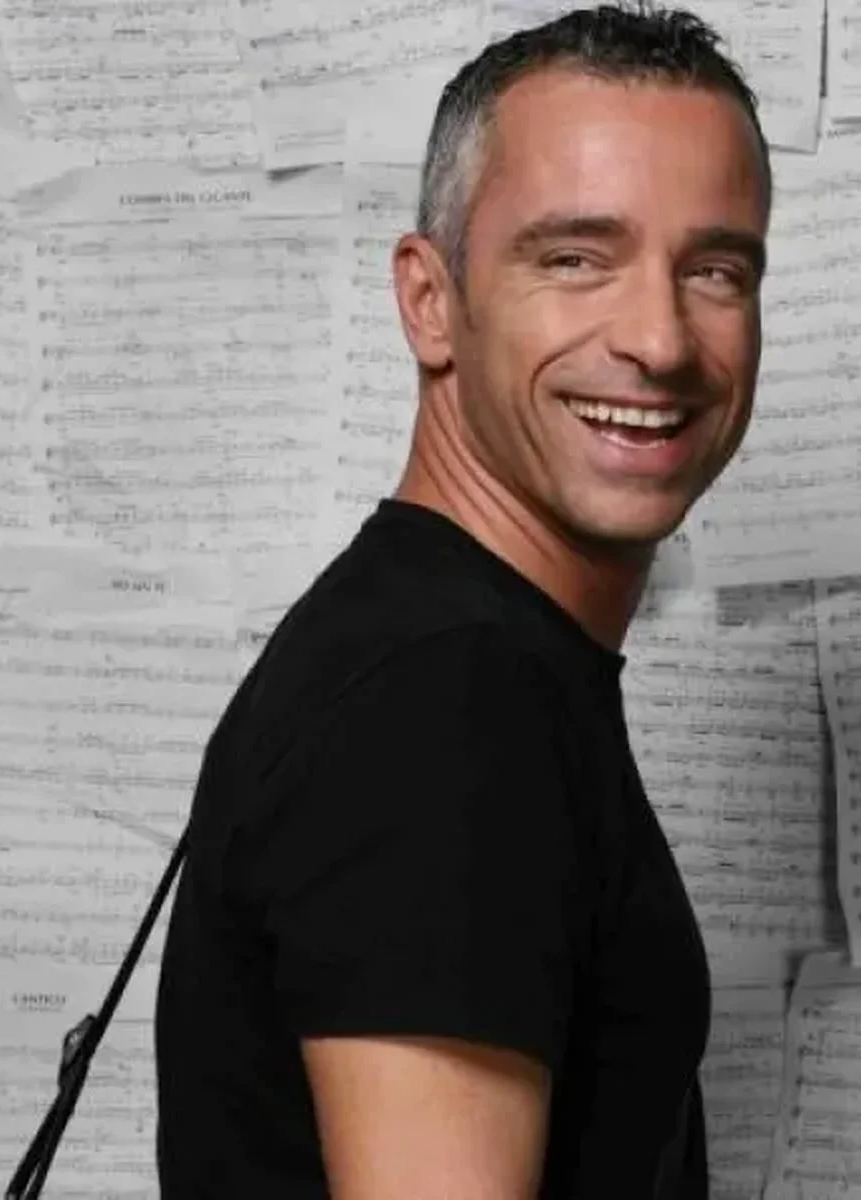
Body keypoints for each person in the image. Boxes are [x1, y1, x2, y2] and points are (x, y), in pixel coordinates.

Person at [154, 3, 770, 1196]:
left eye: (714, 270)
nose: (660, 340)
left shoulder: (445, 648)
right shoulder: (445, 702)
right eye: (575, 258)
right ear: (431, 301)